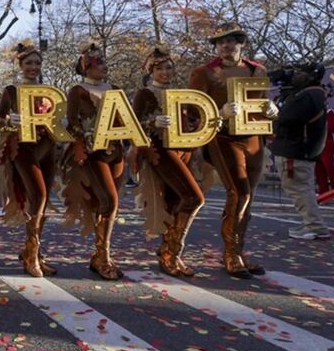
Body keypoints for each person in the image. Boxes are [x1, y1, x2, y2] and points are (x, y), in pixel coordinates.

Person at [189, 23, 278, 279]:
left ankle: (239, 249)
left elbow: (260, 102)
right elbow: (193, 109)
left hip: (253, 138)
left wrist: (272, 109)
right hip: (223, 137)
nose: (225, 46)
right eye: (220, 42)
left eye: (230, 41)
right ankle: (230, 253)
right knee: (239, 191)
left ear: (241, 43)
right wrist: (219, 113)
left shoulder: (257, 70)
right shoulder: (204, 72)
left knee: (248, 196)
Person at [133, 46, 206, 276]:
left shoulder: (180, 93)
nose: (165, 72)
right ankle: (172, 252)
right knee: (194, 198)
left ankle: (168, 251)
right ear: (151, 70)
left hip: (183, 149)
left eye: (168, 68)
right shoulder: (144, 93)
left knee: (174, 202)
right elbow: (132, 123)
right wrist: (153, 122)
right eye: (160, 68)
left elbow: (194, 119)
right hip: (159, 150)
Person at [0, 41, 58, 277]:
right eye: (29, 63)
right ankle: (31, 254)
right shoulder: (11, 91)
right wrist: (10, 120)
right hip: (22, 147)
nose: (34, 67)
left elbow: (57, 119)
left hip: (48, 146)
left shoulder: (49, 92)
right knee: (37, 195)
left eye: (37, 63)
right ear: (20, 65)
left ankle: (35, 251)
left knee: (44, 199)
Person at [62, 42, 126, 280]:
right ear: (86, 67)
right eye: (97, 62)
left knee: (109, 205)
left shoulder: (115, 88)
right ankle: (102, 256)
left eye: (104, 61)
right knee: (109, 200)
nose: (103, 66)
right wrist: (83, 137)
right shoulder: (77, 90)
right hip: (92, 151)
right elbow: (72, 121)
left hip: (115, 150)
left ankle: (99, 254)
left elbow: (125, 118)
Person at [270, 63, 330, 241]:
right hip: (301, 150)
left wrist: (273, 112)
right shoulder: (314, 93)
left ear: (310, 76)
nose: (294, 76)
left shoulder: (308, 95)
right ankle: (311, 224)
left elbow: (286, 118)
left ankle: (315, 227)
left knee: (300, 190)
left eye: (299, 73)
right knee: (302, 188)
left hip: (296, 150)